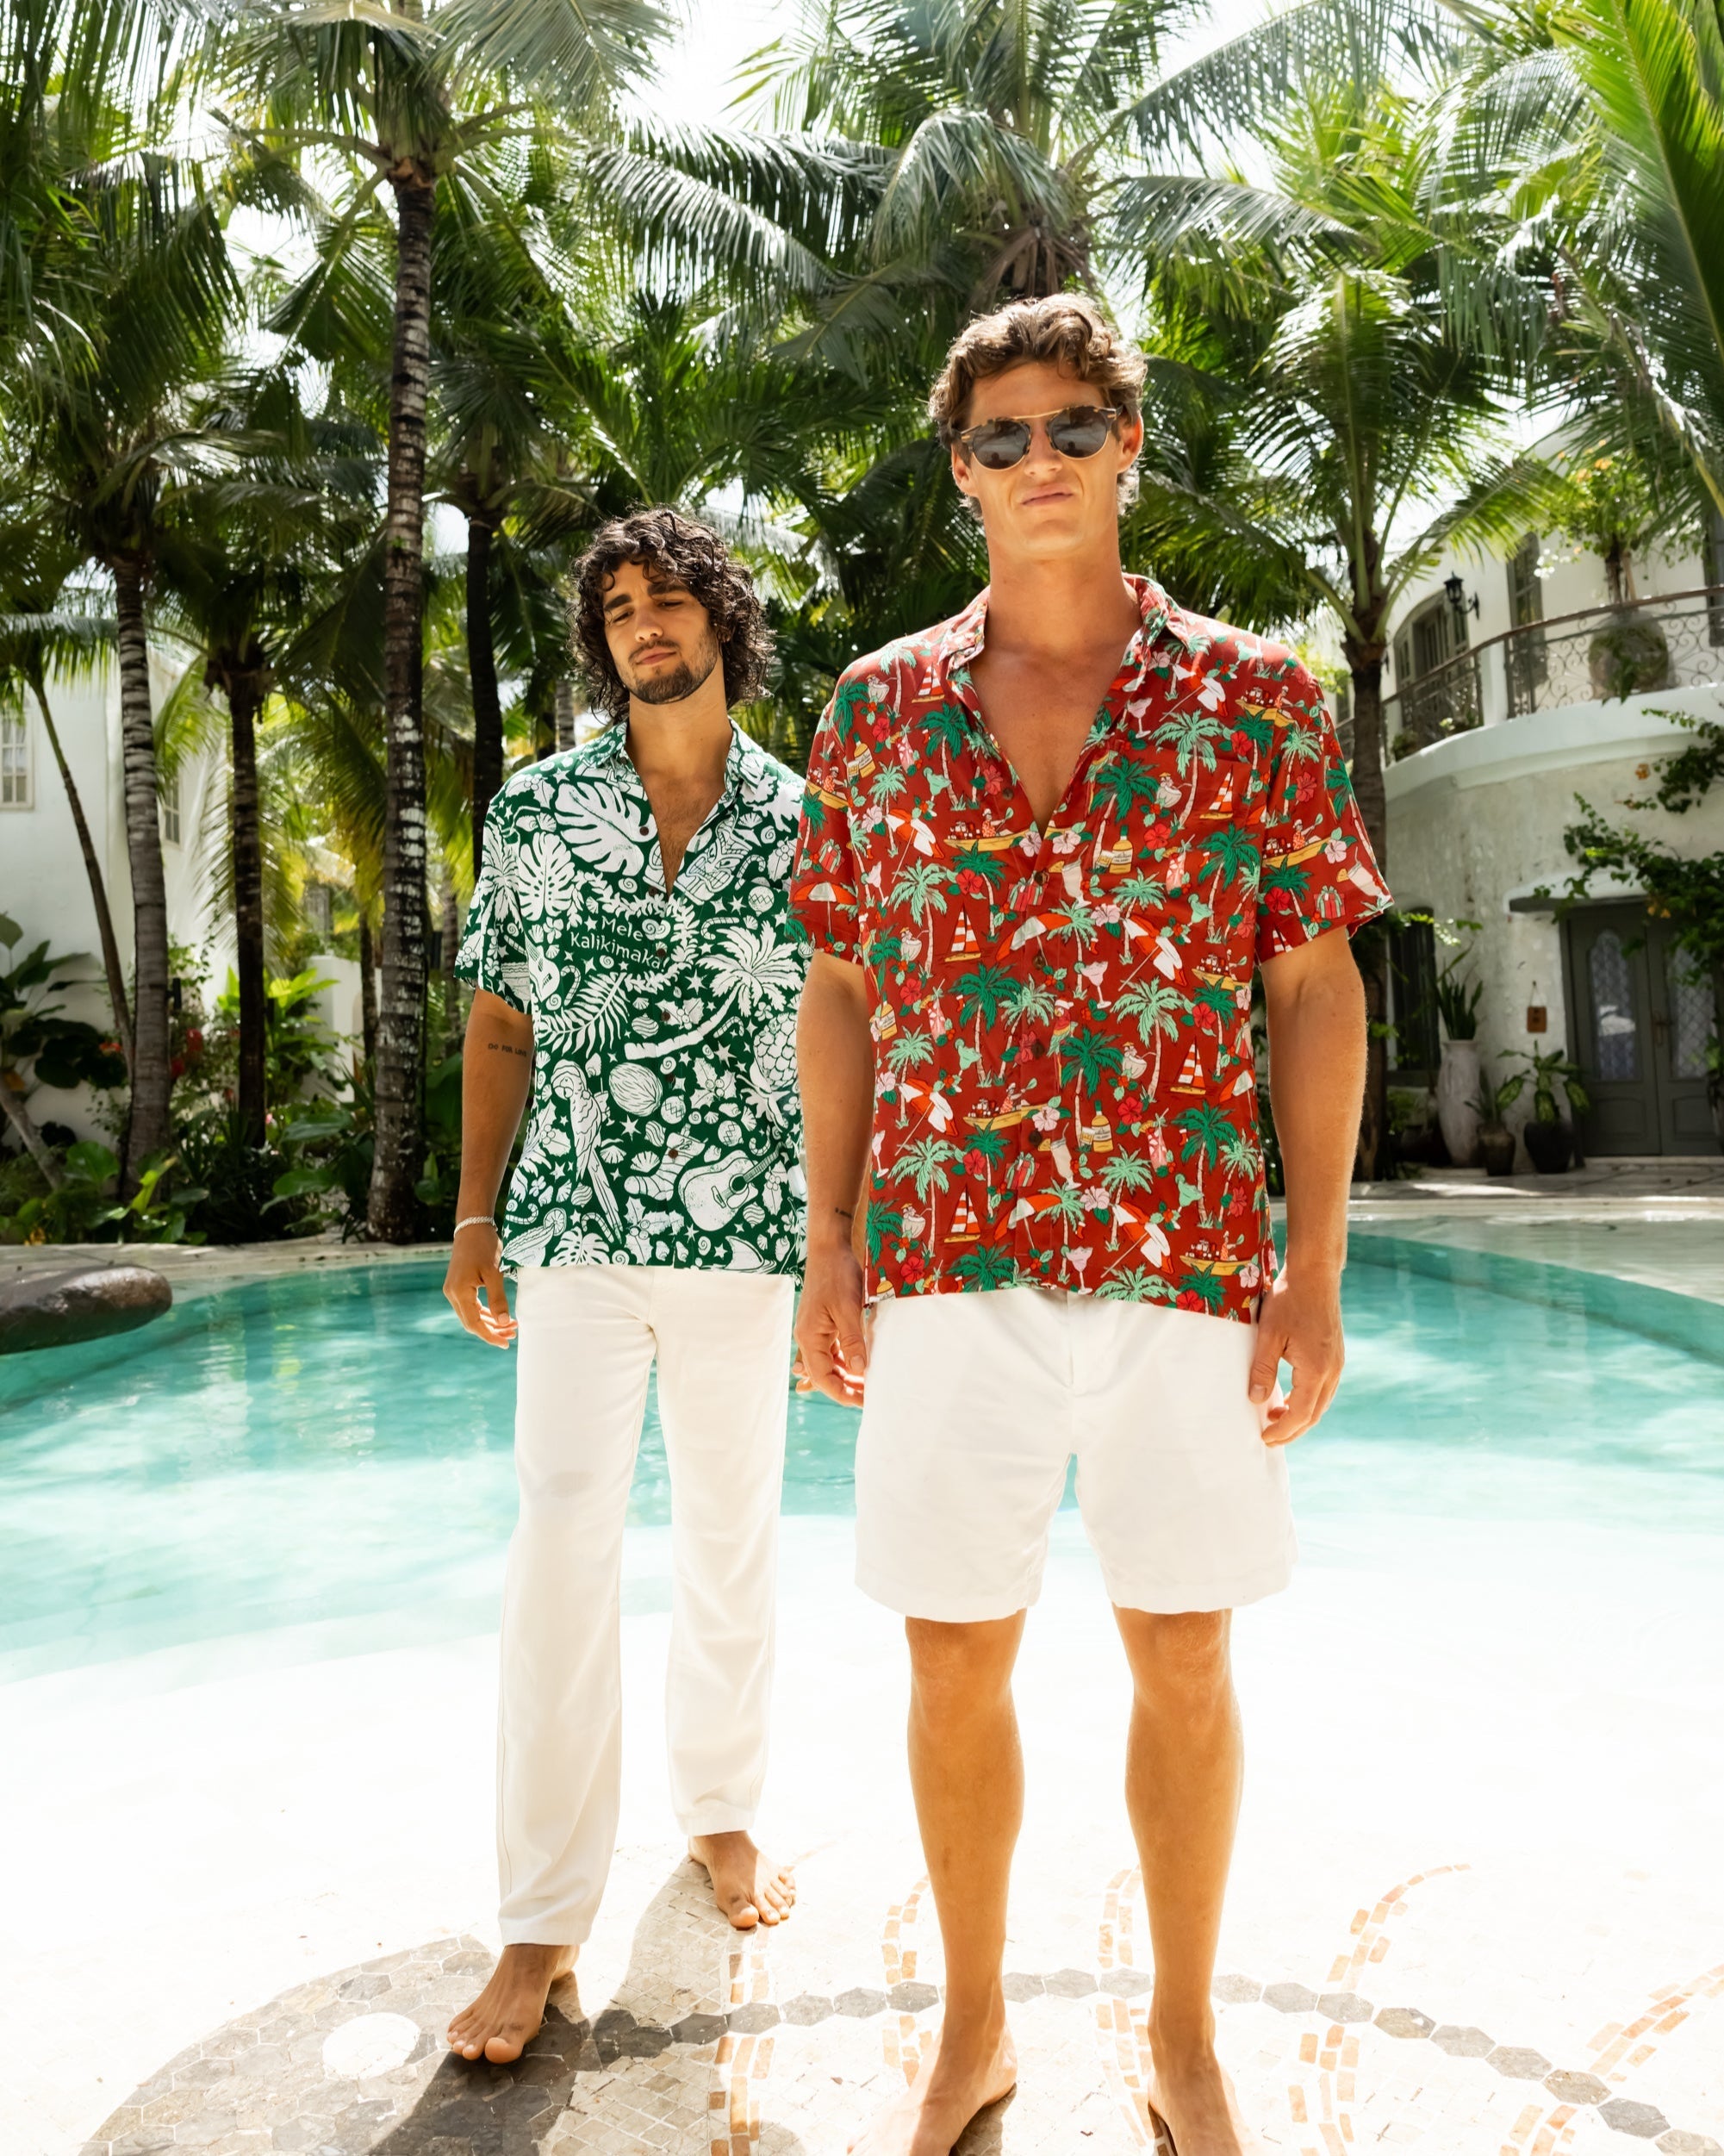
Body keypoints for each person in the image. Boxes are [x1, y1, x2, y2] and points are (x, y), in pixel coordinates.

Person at [792, 296, 1390, 2156]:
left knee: (1183, 1647)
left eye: (1068, 429)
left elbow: (1309, 987)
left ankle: (1185, 2036)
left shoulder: (1256, 699)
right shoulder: (872, 714)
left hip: (1185, 1247)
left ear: (1127, 447)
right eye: (997, 439)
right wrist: (827, 1230)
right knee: (950, 1652)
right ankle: (970, 2029)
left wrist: (1313, 1269)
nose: (1035, 462)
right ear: (955, 470)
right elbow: (836, 980)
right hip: (950, 1249)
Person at [444, 507, 808, 2066]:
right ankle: (539, 1914)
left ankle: (720, 1811)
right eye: (615, 609)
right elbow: (502, 1022)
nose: (641, 625)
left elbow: (842, 1033)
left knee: (730, 1538)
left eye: (668, 599)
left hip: (749, 1239)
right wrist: (474, 1214)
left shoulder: (813, 818)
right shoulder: (535, 813)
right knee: (558, 1552)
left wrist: (844, 1226)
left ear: (721, 617)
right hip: (576, 1229)